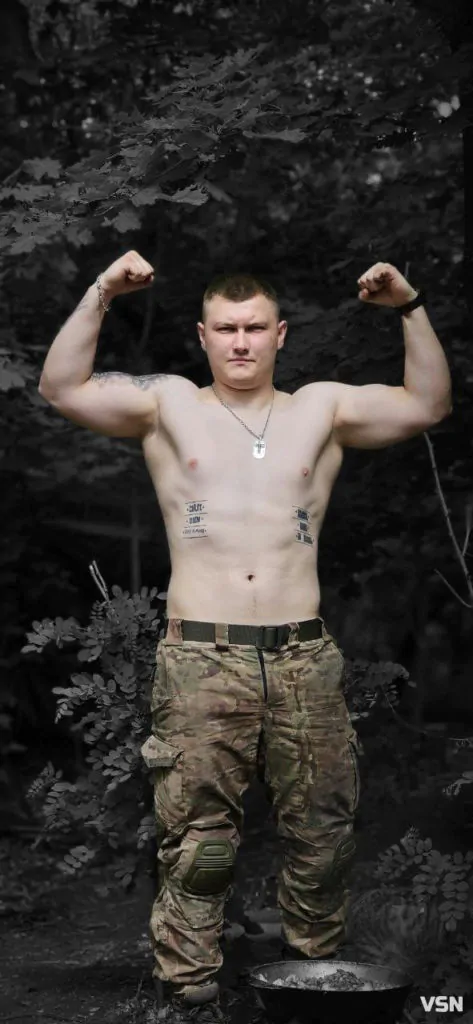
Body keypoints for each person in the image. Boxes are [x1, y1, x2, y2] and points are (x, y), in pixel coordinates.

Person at [38, 251, 452, 1023]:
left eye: (254, 328)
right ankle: (189, 997)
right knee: (200, 847)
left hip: (302, 657)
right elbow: (61, 389)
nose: (239, 342)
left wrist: (408, 306)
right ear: (202, 335)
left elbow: (427, 405)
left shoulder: (320, 409)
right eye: (225, 328)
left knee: (322, 841)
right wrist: (101, 290)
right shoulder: (168, 404)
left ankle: (312, 991)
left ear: (279, 334)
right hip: (202, 656)